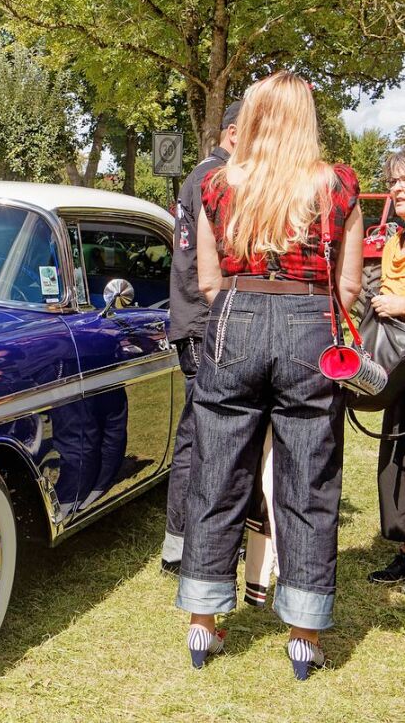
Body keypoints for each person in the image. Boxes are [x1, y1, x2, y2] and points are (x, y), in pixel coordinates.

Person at [176, 71, 363, 680]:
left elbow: (207, 281)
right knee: (310, 475)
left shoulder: (217, 184)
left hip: (235, 315)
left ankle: (203, 623)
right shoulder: (336, 185)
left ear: (251, 118)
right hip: (311, 318)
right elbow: (351, 285)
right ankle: (304, 634)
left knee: (217, 467)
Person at [161, 100, 241, 575]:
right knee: (203, 435)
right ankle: (187, 545)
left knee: (197, 433)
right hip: (203, 322)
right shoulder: (217, 178)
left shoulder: (198, 176)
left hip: (193, 318)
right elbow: (211, 263)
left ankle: (181, 543)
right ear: (233, 134)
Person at [367, 149, 405, 584]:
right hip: (399, 364)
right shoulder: (395, 238)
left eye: (403, 181)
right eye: (393, 181)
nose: (396, 189)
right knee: (397, 453)